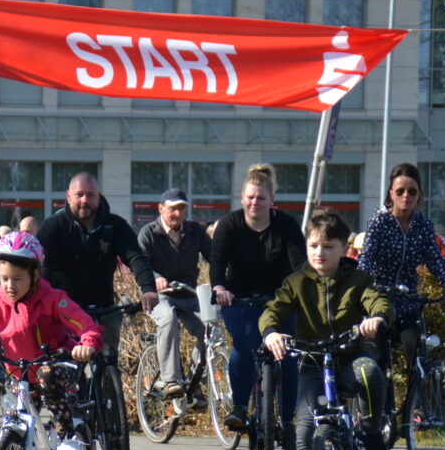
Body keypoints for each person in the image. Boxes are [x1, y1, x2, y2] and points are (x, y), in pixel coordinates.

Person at [260, 210, 392, 450]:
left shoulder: (358, 280)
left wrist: (375, 318)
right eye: (314, 245)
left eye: (328, 246)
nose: (320, 253)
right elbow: (273, 310)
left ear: (344, 250)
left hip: (348, 359)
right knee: (305, 430)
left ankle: (372, 434)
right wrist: (271, 333)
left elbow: (379, 301)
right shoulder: (297, 283)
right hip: (313, 366)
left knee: (370, 372)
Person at [0, 231, 101, 443]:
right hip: (20, 373)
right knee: (16, 419)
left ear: (34, 275)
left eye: (17, 279)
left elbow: (86, 326)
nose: (9, 286)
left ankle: (68, 437)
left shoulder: (53, 299)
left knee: (47, 374)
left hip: (59, 367)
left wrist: (86, 344)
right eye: (4, 279)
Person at [210, 163, 304, 433]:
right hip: (239, 300)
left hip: (279, 301)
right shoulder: (229, 225)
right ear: (242, 198)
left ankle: (287, 422)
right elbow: (217, 262)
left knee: (286, 356)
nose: (255, 202)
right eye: (250, 197)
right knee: (246, 344)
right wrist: (220, 289)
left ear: (271, 200)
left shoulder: (286, 225)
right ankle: (239, 408)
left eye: (261, 198)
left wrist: (304, 293)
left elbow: (299, 265)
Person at [37, 172, 157, 362]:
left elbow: (135, 257)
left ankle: (109, 387)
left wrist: (148, 288)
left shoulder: (115, 226)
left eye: (91, 195)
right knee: (66, 369)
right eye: (80, 195)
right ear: (68, 196)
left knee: (108, 364)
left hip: (104, 308)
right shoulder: (53, 227)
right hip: (66, 309)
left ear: (99, 196)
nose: (85, 200)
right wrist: (40, 301)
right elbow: (44, 268)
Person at [357, 162, 445, 369]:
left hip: (407, 301)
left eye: (412, 191)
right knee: (377, 360)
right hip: (380, 300)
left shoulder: (423, 224)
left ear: (418, 195)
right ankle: (382, 399)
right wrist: (361, 289)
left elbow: (434, 259)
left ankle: (416, 400)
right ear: (391, 193)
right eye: (400, 191)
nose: (406, 195)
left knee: (416, 352)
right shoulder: (379, 221)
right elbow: (367, 258)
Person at [136, 188, 211, 399]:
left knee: (209, 331)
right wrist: (155, 276)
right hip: (161, 295)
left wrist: (221, 281)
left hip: (188, 293)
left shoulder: (194, 231)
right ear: (160, 209)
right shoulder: (149, 233)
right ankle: (170, 380)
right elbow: (140, 263)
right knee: (168, 319)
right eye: (172, 209)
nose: (177, 214)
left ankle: (196, 384)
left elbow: (213, 256)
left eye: (181, 209)